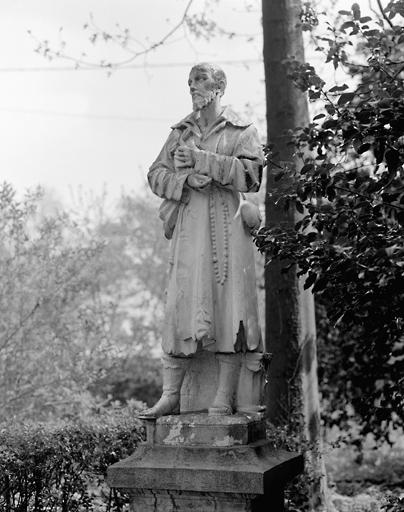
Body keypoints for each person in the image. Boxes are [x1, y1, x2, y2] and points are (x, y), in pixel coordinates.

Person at [141, 62, 264, 418]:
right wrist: (183, 182)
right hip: (189, 230)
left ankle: (224, 396)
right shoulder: (181, 131)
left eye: (200, 80)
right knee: (181, 303)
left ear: (220, 85)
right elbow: (155, 174)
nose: (193, 86)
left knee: (228, 307)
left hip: (227, 230)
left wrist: (202, 162)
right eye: (190, 81)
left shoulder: (242, 130)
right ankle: (171, 395)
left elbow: (250, 176)